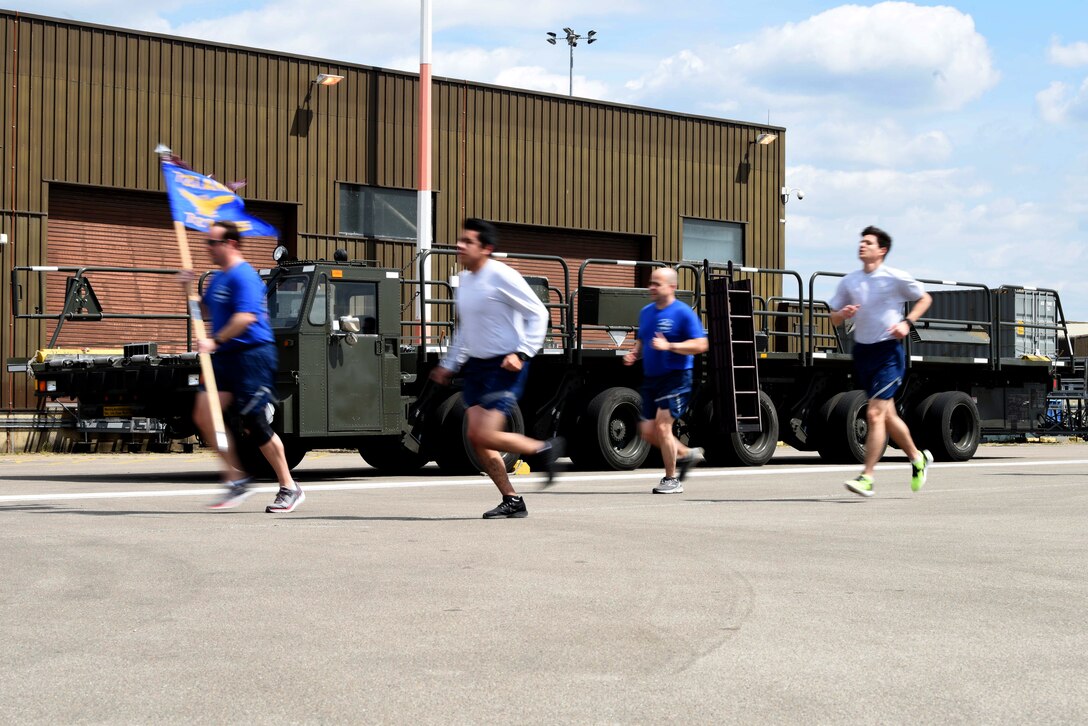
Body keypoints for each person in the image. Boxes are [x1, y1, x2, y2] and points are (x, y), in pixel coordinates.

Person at [429, 218, 563, 519]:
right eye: (460, 240)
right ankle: (512, 499)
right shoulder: (465, 282)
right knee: (477, 438)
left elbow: (538, 313)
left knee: (486, 434)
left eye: (467, 241)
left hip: (504, 365)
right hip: (477, 367)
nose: (459, 245)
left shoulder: (502, 276)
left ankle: (543, 448)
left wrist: (523, 352)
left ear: (486, 248)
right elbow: (465, 329)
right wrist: (449, 364)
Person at [190, 220, 304, 512]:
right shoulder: (219, 278)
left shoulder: (245, 277)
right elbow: (202, 310)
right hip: (225, 357)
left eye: (213, 243)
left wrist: (214, 341)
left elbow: (246, 318)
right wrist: (186, 288)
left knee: (254, 423)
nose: (208, 248)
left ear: (231, 244)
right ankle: (236, 479)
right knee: (204, 414)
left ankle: (289, 486)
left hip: (252, 355)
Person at [828, 225, 934, 497]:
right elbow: (833, 318)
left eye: (868, 242)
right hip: (863, 353)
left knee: (874, 414)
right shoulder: (849, 281)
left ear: (882, 250)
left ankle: (868, 476)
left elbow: (925, 298)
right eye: (861, 242)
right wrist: (844, 312)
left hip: (888, 352)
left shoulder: (894, 277)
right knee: (887, 415)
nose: (862, 245)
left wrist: (907, 323)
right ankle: (916, 458)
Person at [624, 267, 708, 494]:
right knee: (647, 431)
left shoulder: (683, 313)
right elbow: (643, 340)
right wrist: (634, 353)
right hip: (652, 379)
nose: (651, 287)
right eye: (651, 283)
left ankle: (671, 480)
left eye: (657, 283)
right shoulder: (646, 312)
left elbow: (701, 344)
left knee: (662, 427)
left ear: (672, 287)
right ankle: (687, 454)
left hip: (676, 377)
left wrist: (670, 346)